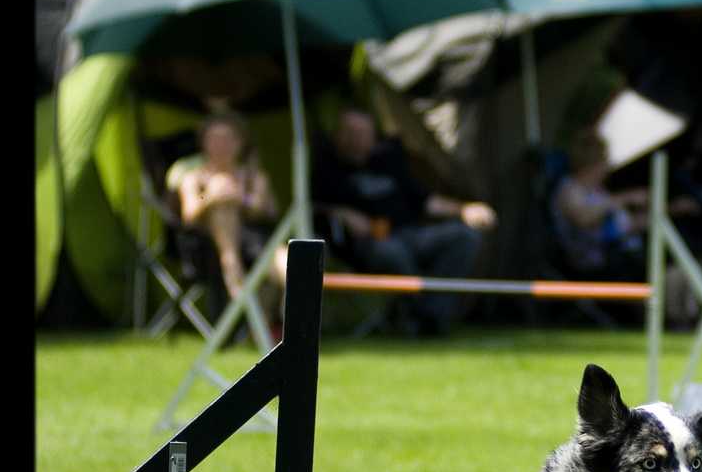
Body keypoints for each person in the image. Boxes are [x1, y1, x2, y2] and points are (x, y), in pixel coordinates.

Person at [313, 108, 495, 337]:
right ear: (337, 136)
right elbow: (306, 205)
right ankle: (420, 315)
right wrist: (340, 212)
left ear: (373, 138)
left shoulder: (388, 163)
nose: (356, 141)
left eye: (362, 134)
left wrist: (465, 209)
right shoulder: (325, 169)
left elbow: (426, 202)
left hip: (411, 235)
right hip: (366, 245)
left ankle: (429, 314)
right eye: (350, 133)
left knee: (466, 236)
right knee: (392, 251)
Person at [178, 111, 279, 313]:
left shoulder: (253, 177)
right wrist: (210, 197)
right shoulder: (193, 177)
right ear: (204, 143)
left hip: (255, 242)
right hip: (207, 248)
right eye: (215, 140)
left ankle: (270, 324)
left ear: (240, 144)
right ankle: (230, 261)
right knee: (221, 198)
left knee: (293, 268)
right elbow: (188, 215)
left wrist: (241, 198)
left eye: (228, 140)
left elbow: (262, 210)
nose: (222, 146)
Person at [550, 128, 650, 281]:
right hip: (591, 265)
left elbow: (626, 223)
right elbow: (582, 219)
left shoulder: (598, 191)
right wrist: (622, 198)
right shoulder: (570, 190)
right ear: (593, 162)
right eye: (604, 160)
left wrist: (670, 212)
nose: (607, 167)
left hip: (620, 256)